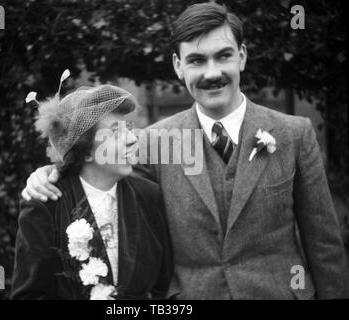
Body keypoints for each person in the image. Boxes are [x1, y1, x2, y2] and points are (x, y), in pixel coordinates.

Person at [21, 3, 349, 299]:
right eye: (196, 60)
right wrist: (51, 173)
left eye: (223, 55)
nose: (212, 73)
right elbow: (99, 178)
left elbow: (325, 248)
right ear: (178, 66)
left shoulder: (294, 134)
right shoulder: (150, 142)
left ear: (242, 56)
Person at [11, 79, 173, 299]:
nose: (132, 139)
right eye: (115, 133)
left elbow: (163, 285)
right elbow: (29, 294)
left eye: (129, 129)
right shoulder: (45, 205)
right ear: (85, 151)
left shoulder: (147, 194)